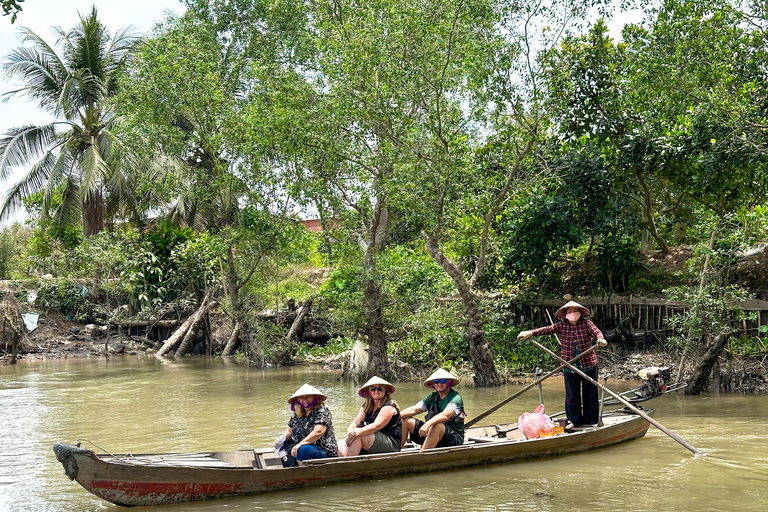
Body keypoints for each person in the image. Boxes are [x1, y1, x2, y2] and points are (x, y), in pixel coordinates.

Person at [517, 300, 608, 427]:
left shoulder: (586, 323)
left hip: (588, 364)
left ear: (580, 313)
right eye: (569, 311)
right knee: (572, 394)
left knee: (590, 393)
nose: (572, 313)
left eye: (574, 311)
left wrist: (600, 339)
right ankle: (575, 421)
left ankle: (591, 420)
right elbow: (547, 329)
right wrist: (530, 333)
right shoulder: (562, 326)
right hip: (569, 365)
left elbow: (596, 331)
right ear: (565, 314)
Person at [400, 369, 465, 450]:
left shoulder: (455, 398)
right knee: (406, 420)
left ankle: (422, 456)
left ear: (449, 382)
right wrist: (394, 417)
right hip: (431, 433)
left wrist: (427, 425)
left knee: (436, 426)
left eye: (443, 381)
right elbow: (414, 410)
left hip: (453, 437)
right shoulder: (432, 397)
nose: (439, 384)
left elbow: (445, 415)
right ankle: (396, 451)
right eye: (437, 381)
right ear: (433, 384)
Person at [274, 383, 338, 466]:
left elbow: (318, 431)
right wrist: (281, 438)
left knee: (303, 450)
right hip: (301, 447)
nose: (304, 399)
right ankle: (289, 468)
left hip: (323, 451)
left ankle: (303, 474)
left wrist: (300, 444)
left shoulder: (322, 411)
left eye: (308, 396)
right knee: (283, 445)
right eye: (301, 397)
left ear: (314, 397)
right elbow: (289, 430)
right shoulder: (297, 414)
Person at [338, 376, 402, 456]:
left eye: (379, 388)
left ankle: (348, 464)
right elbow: (356, 421)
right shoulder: (367, 405)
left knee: (359, 435)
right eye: (373, 389)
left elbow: (377, 426)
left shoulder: (390, 405)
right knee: (340, 444)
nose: (376, 391)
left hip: (391, 444)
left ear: (385, 390)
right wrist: (350, 432)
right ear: (369, 391)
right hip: (371, 439)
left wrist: (357, 432)